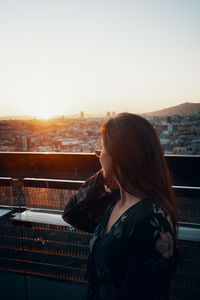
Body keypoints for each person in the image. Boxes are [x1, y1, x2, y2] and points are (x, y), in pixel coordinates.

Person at [62, 113, 179, 300]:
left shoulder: (152, 220)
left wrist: (111, 171)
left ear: (119, 155)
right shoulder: (115, 201)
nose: (99, 154)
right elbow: (72, 213)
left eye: (102, 148)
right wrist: (106, 174)